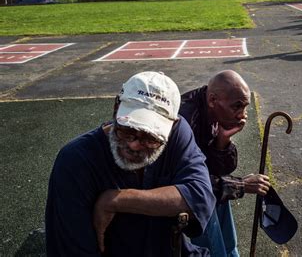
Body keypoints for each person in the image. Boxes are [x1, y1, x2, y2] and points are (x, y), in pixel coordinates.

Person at [45, 71, 216, 256]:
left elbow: (201, 195)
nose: (134, 145)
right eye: (127, 130)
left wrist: (115, 200)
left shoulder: (177, 133)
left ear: (172, 126)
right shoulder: (75, 161)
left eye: (151, 138)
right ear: (116, 108)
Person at [180, 70, 271, 256]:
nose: (242, 115)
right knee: (208, 203)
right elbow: (192, 188)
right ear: (213, 100)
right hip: (174, 194)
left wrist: (223, 141)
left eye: (245, 107)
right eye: (237, 107)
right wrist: (241, 185)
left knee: (221, 198)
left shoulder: (212, 110)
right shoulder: (186, 121)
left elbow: (215, 171)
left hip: (196, 186)